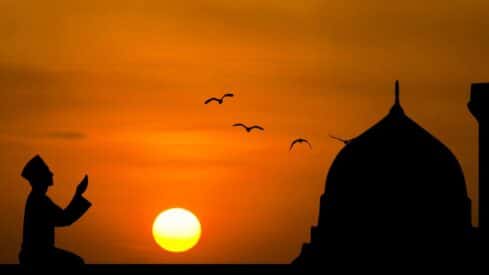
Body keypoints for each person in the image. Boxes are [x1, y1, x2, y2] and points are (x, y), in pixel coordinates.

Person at [18, 155, 92, 269]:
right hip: (38, 256)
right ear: (41, 177)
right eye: (47, 171)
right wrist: (78, 194)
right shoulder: (39, 201)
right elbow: (65, 218)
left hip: (36, 254)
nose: (51, 173)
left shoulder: (37, 198)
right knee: (77, 263)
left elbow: (64, 218)